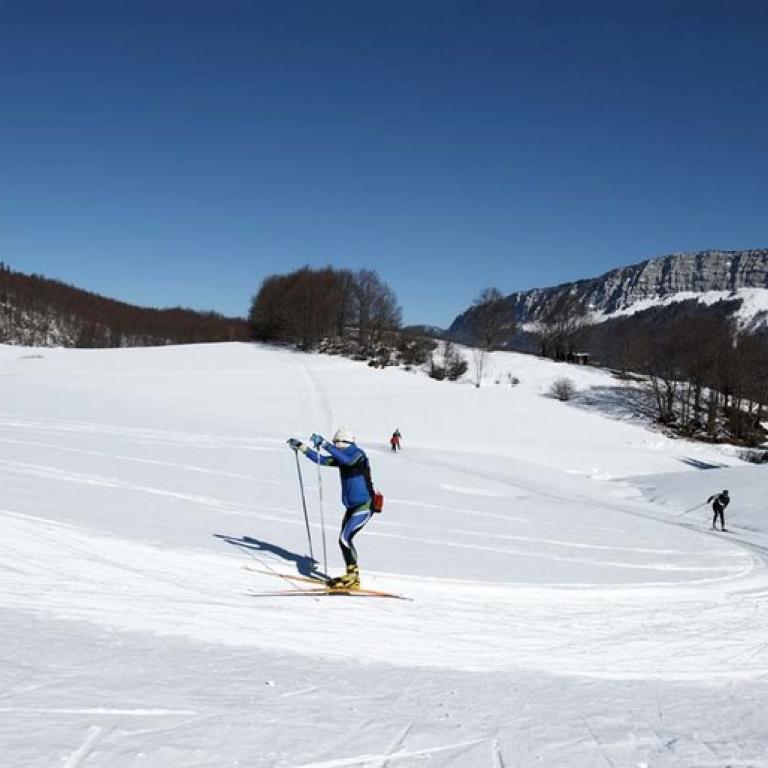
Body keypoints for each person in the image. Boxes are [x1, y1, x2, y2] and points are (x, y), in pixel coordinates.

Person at [288, 426, 374, 589]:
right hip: (351, 507)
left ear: (342, 442)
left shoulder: (358, 455)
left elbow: (349, 461)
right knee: (344, 540)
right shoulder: (342, 457)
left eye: (336, 443)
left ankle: (353, 577)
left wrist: (326, 444)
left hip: (364, 506)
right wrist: (302, 447)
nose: (335, 445)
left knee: (344, 538)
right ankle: (352, 575)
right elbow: (321, 460)